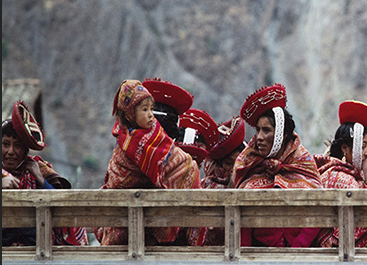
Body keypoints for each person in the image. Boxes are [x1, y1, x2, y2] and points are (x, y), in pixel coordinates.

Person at [94, 79, 203, 246]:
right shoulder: (127, 141)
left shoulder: (155, 133)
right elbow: (118, 178)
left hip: (143, 214)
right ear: (130, 113)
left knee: (188, 167)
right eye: (145, 110)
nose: (151, 115)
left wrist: (187, 166)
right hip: (127, 215)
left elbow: (177, 162)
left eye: (151, 109)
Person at [235, 83, 324, 247]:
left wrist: (298, 248)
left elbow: (319, 208)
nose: (259, 137)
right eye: (258, 130)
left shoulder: (302, 160)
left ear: (281, 135)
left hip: (299, 252)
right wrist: (245, 259)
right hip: (258, 253)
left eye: (266, 130)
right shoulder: (250, 162)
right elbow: (243, 216)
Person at [2, 100, 88, 246]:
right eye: (5, 144)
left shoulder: (39, 170)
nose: (11, 152)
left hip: (38, 252)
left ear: (25, 151)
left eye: (17, 146)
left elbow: (61, 207)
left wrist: (41, 181)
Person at [313, 100, 367, 248]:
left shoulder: (334, 172)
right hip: (340, 255)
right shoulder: (342, 179)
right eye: (363, 146)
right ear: (345, 148)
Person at [199, 115, 247, 246]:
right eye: (229, 163)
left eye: (238, 163)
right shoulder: (206, 186)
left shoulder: (250, 181)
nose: (233, 169)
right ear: (219, 163)